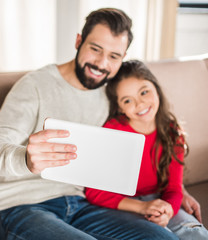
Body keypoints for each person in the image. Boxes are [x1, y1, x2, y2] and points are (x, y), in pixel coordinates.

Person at [0, 8, 199, 240]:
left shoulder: (113, 95)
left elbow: (147, 138)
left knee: (163, 238)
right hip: (22, 206)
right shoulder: (35, 86)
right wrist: (24, 159)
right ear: (78, 41)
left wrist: (177, 189)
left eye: (114, 56)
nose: (102, 63)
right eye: (95, 49)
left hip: (81, 204)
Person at [85, 60, 208, 239]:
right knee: (159, 235)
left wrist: (168, 210)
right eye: (128, 100)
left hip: (159, 199)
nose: (140, 103)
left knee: (195, 232)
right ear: (120, 107)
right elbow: (94, 193)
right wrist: (143, 207)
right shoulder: (113, 131)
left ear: (156, 88)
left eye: (144, 92)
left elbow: (174, 188)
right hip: (124, 204)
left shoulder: (173, 132)